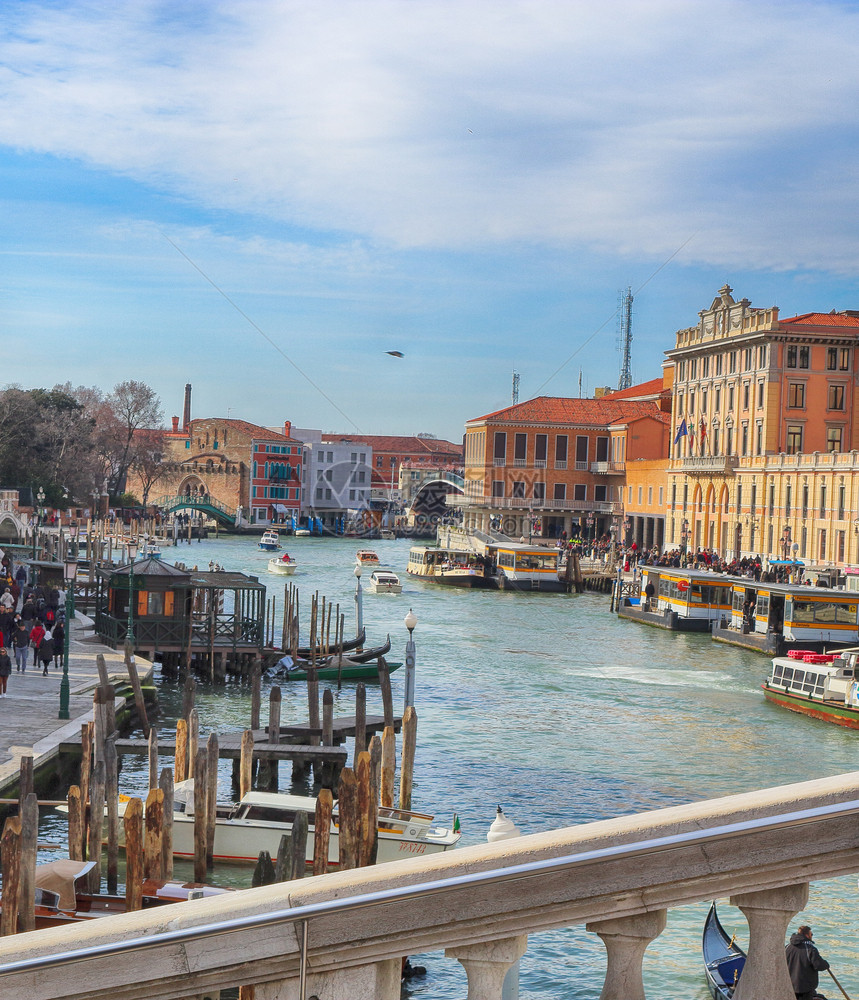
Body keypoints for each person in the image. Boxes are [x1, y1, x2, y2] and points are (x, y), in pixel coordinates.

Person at [786, 924, 829, 1000]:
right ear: (807, 935)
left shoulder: (787, 947)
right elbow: (819, 965)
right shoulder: (810, 949)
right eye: (811, 934)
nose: (812, 936)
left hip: (789, 985)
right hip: (804, 988)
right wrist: (826, 964)